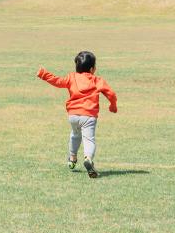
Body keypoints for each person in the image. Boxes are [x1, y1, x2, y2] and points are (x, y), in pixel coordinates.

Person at [36, 50, 118, 178]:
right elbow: (111, 94)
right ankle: (88, 159)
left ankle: (72, 158)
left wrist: (44, 74)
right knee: (89, 139)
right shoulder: (97, 80)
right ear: (92, 69)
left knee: (75, 135)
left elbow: (57, 81)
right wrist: (113, 106)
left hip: (73, 116)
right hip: (89, 116)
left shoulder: (71, 77)